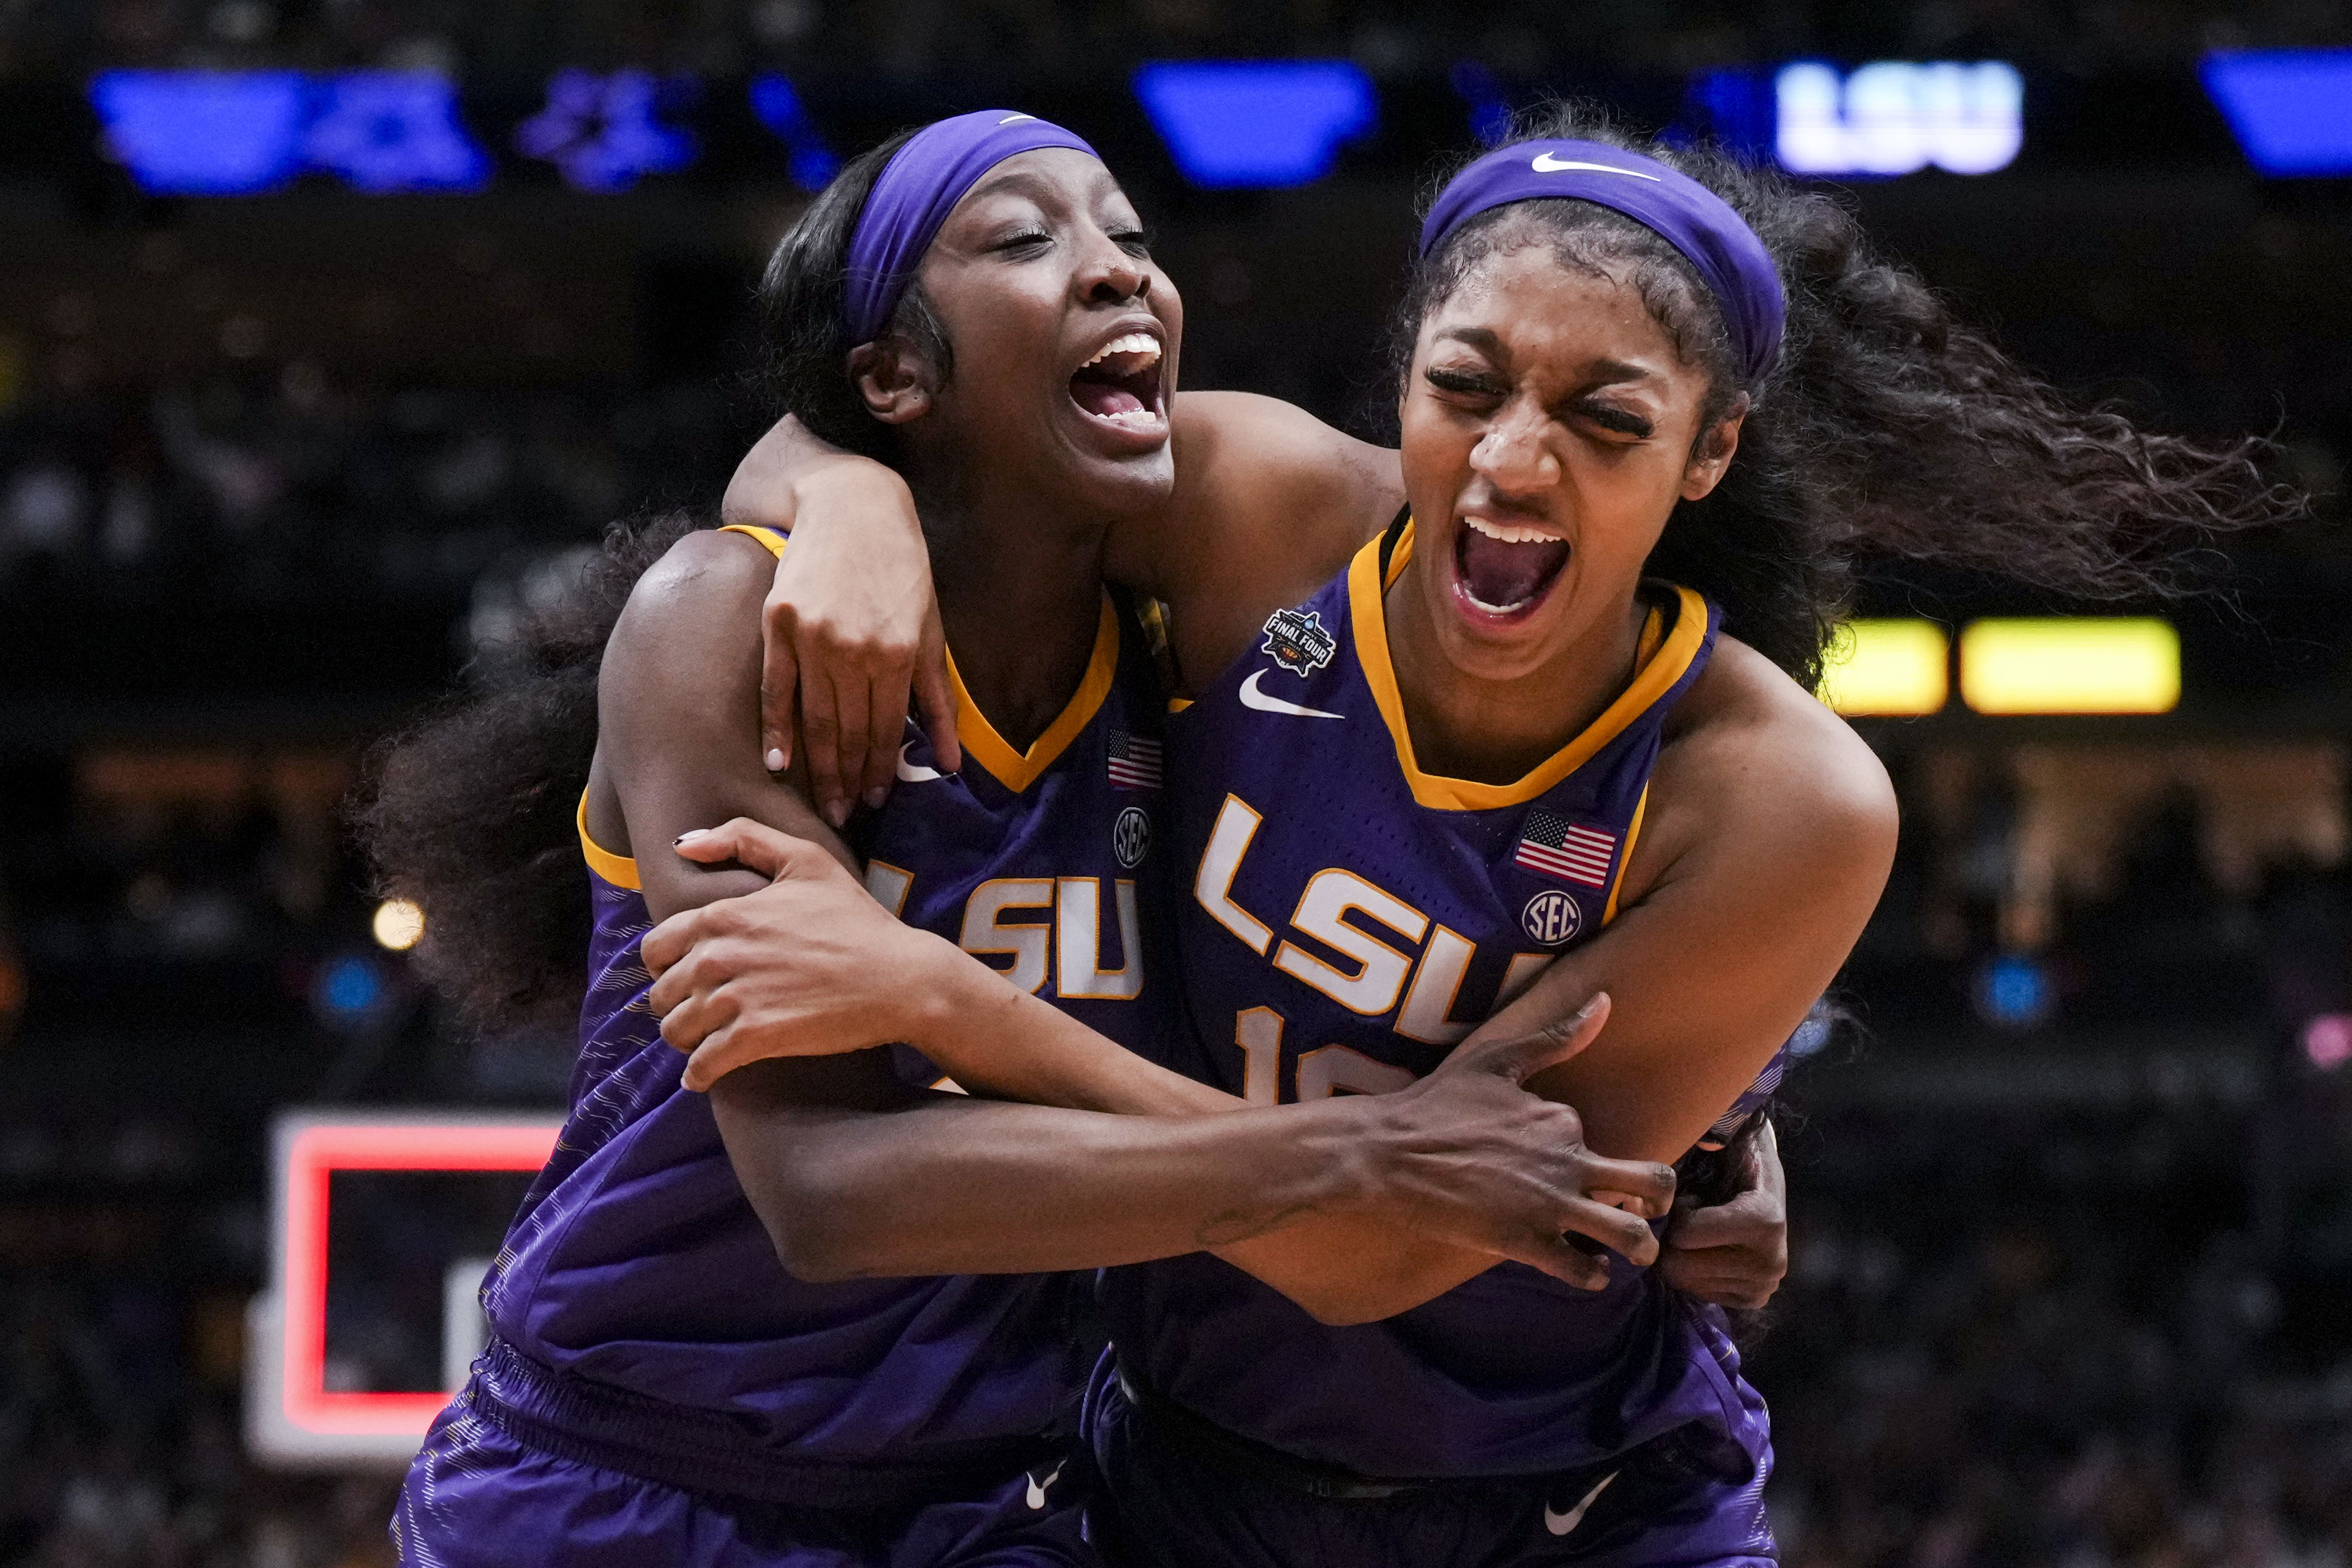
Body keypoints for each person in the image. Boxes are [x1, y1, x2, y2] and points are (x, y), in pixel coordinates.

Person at [651, 104, 2294, 1565]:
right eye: (1467, 386)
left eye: (1606, 417)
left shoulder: (1782, 797)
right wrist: (834, 494)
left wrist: (947, 1003)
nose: (1514, 459)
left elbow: (1366, 1250)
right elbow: (949, 427)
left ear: (1711, 454)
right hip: (1176, 1468)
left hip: (1585, 1497)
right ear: (1404, 385)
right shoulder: (1249, 509)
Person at [362, 111, 1785, 1568]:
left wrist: (1727, 1112)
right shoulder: (728, 620)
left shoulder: (1175, 668)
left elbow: (1399, 904)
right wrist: (1363, 1159)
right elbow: (827, 1195)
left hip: (995, 1496)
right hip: (620, 1473)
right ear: (894, 371)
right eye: (1029, 238)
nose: (1117, 270)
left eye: (1132, 238)